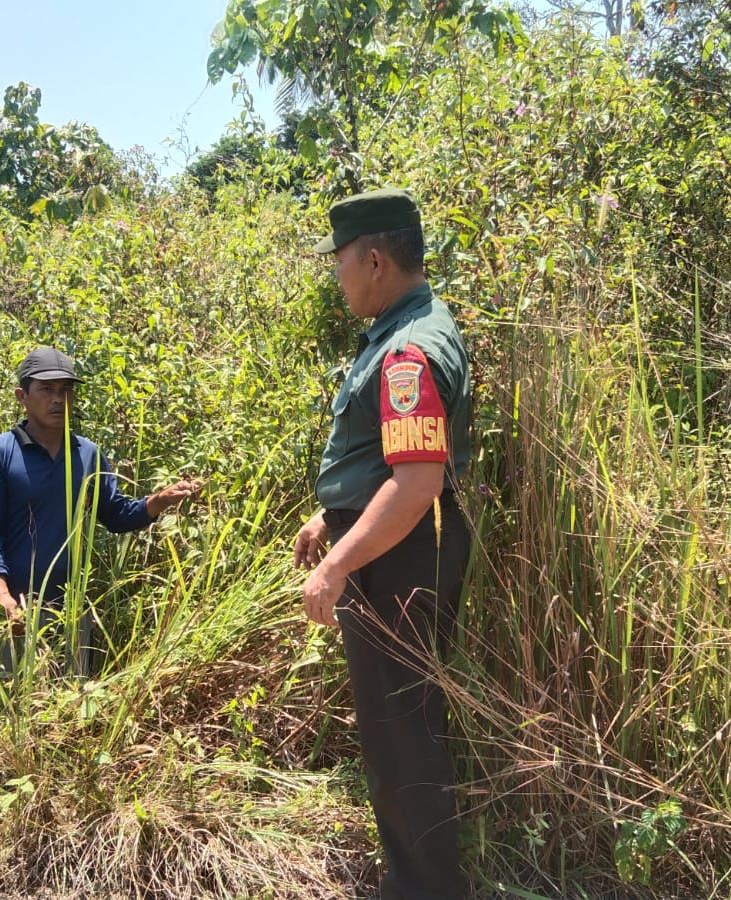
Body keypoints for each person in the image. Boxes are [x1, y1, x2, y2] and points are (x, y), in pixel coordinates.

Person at [293, 188, 473, 900]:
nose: (336, 278)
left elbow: (416, 484)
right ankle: (414, 879)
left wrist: (337, 565)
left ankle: (426, 887)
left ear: (374, 259)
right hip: (387, 546)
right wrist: (327, 517)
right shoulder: (405, 329)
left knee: (403, 732)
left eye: (340, 262)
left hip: (397, 558)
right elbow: (383, 464)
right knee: (395, 725)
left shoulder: (407, 352)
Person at [0, 346, 202, 676]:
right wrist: (4, 598)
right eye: (47, 389)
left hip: (70, 607)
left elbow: (116, 515)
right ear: (22, 396)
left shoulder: (86, 453)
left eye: (66, 390)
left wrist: (161, 499)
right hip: (13, 612)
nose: (58, 399)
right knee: (7, 709)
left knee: (68, 709)